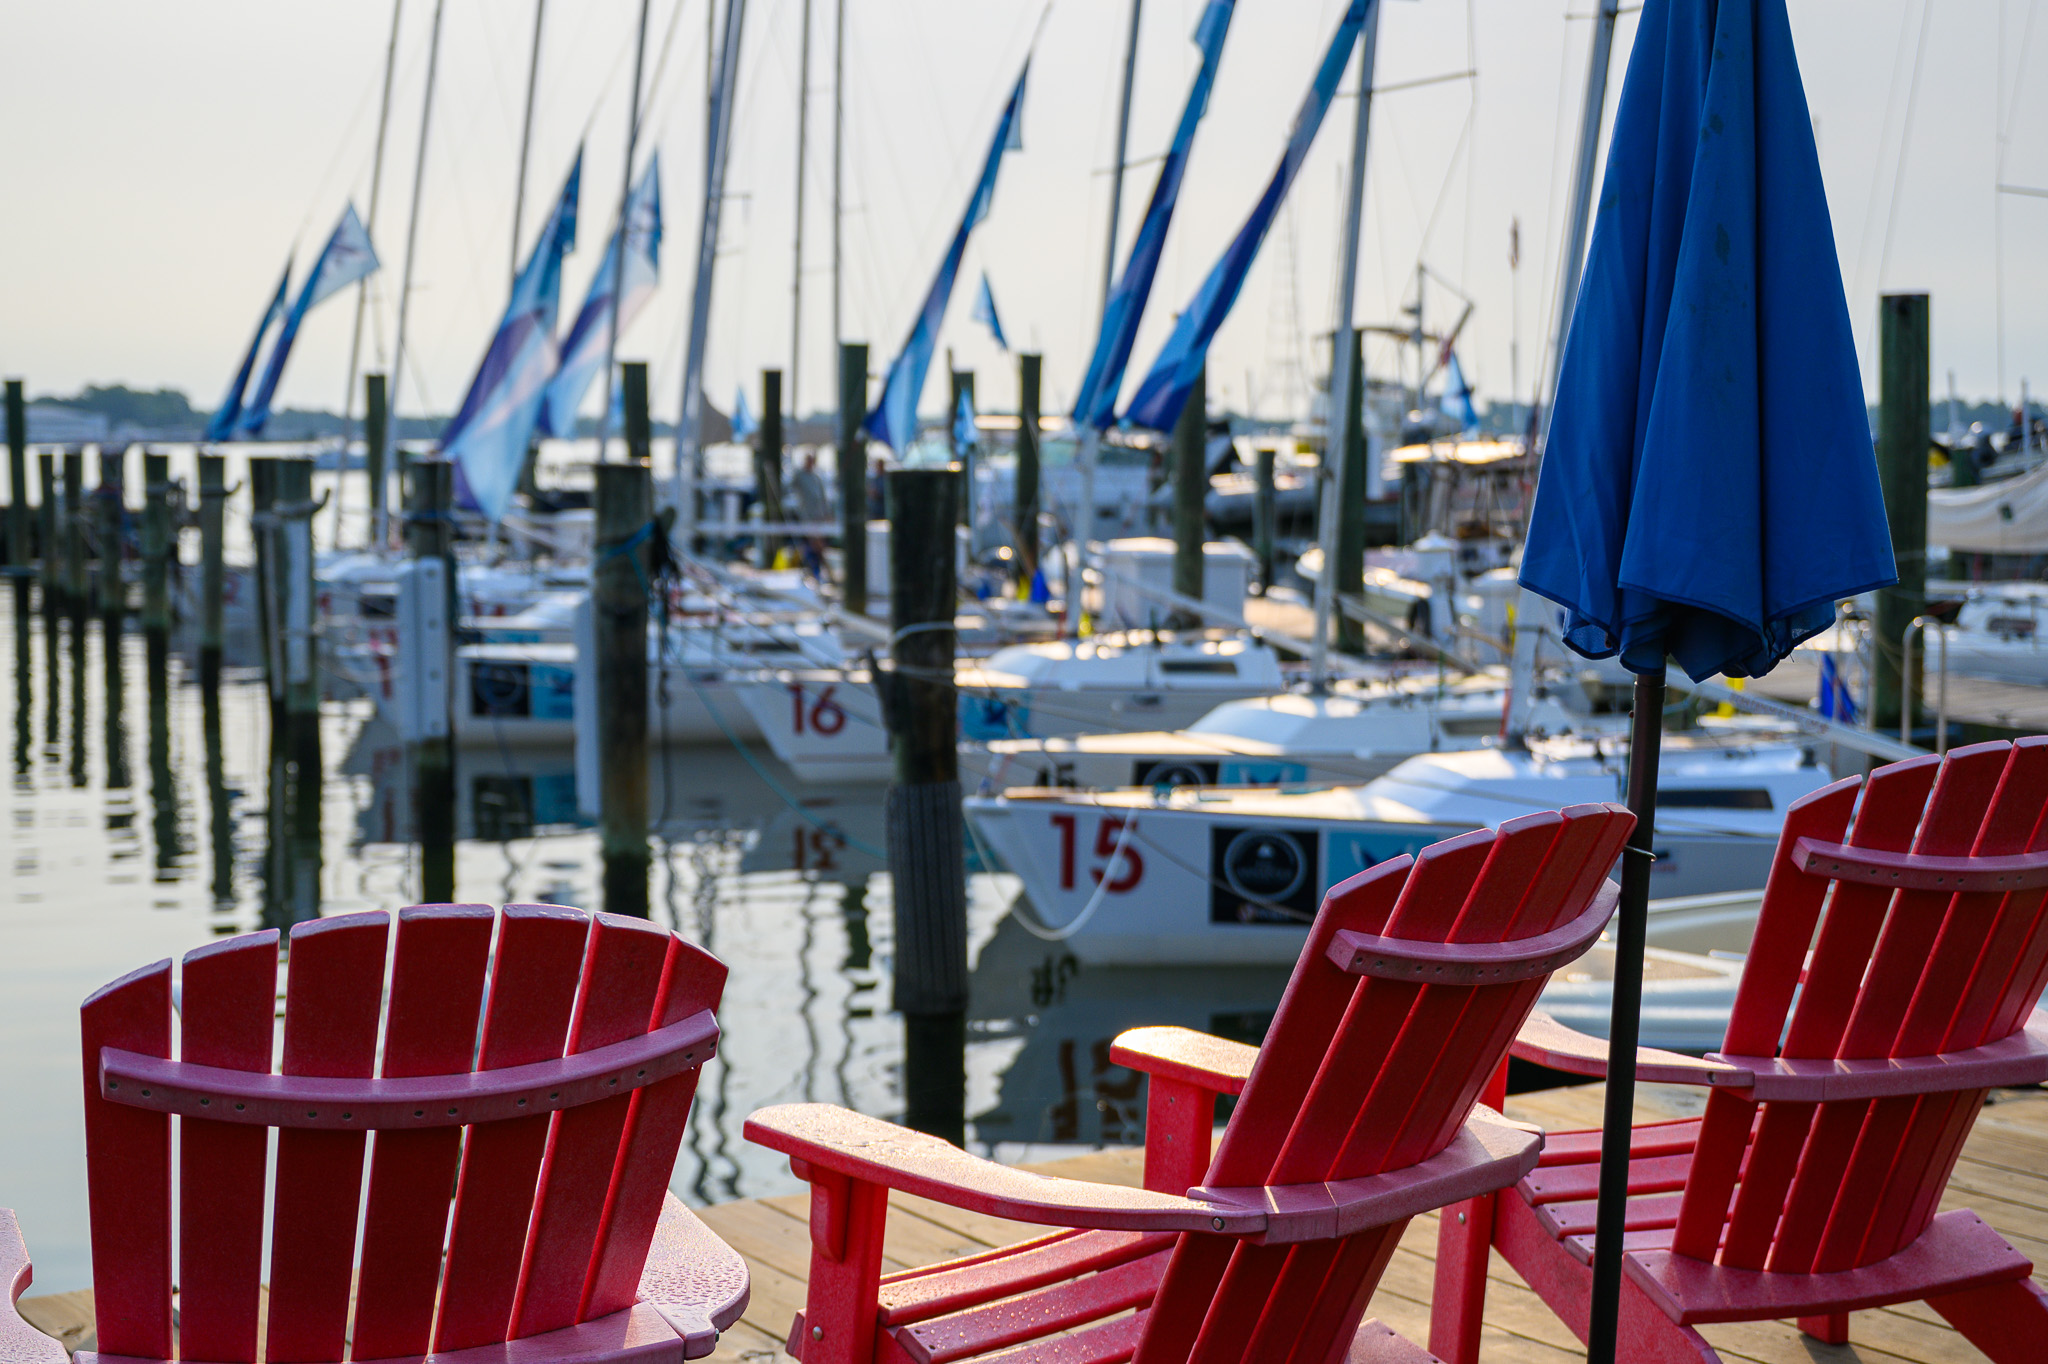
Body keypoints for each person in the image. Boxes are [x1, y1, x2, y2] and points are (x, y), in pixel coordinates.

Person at [789, 449, 831, 578]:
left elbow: (823, 498)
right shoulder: (799, 475)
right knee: (814, 543)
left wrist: (827, 514)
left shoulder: (816, 477)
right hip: (807, 517)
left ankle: (819, 571)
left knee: (818, 545)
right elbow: (790, 486)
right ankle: (818, 571)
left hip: (819, 517)